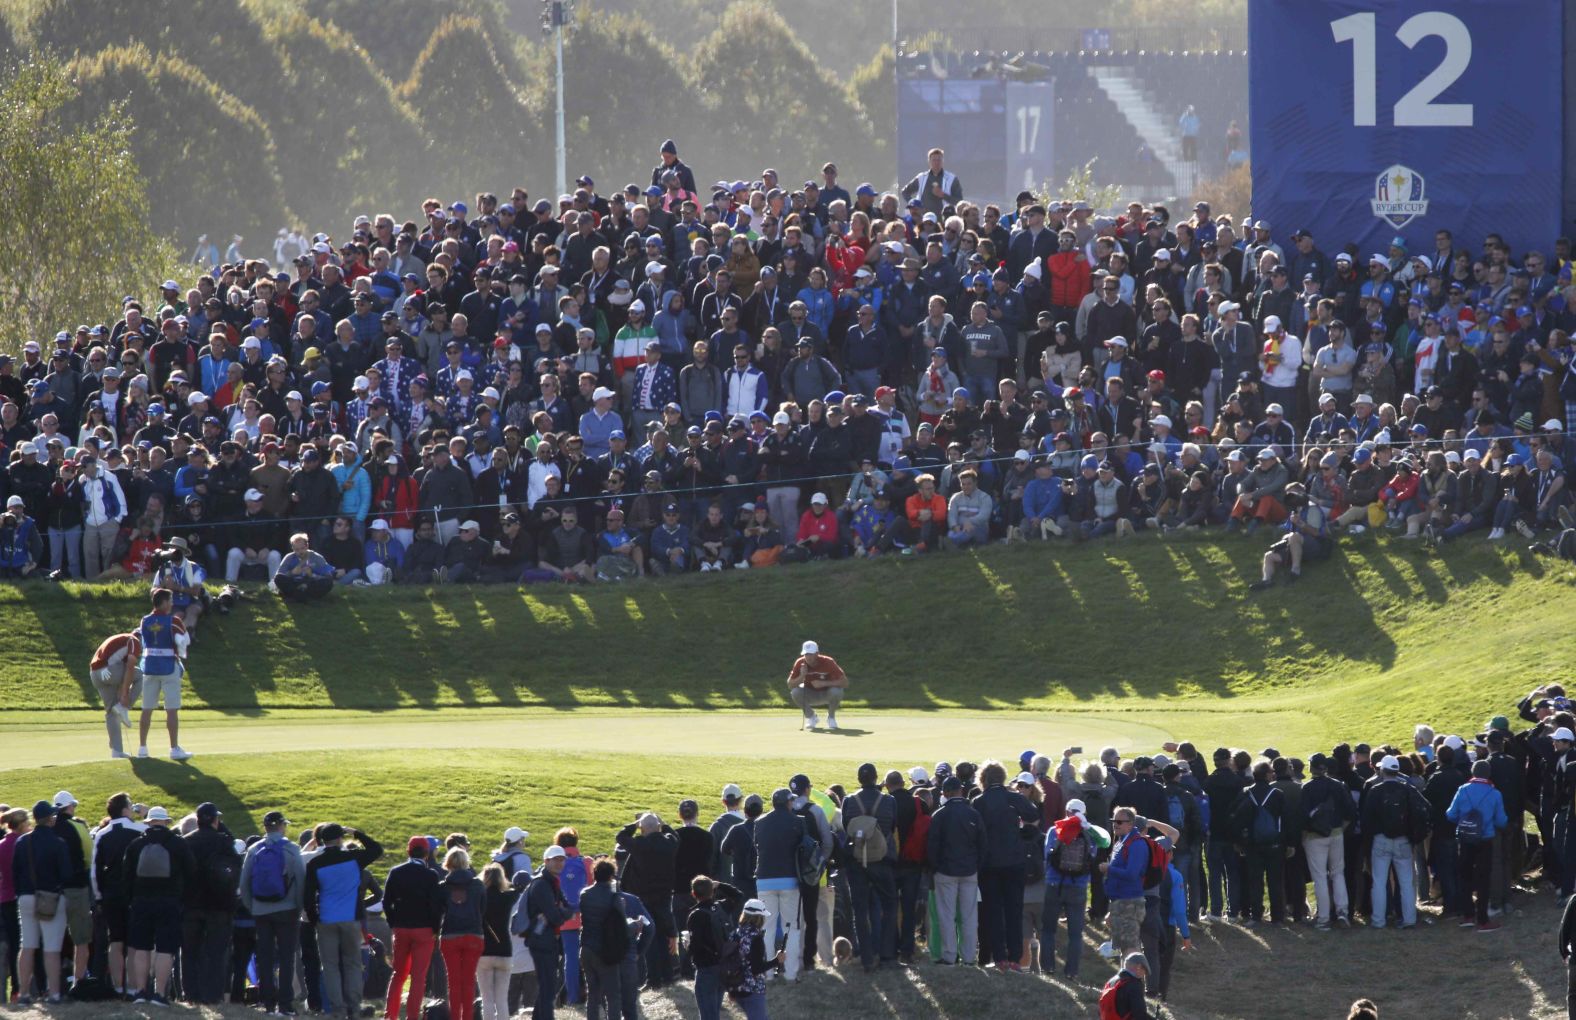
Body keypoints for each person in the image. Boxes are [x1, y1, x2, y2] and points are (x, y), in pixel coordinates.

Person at [303, 823, 385, 1020]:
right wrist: (354, 832)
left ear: (322, 840)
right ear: (340, 839)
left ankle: (337, 1010)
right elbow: (376, 849)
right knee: (353, 965)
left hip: (326, 920)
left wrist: (315, 920)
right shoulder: (354, 859)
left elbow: (307, 897)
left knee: (330, 966)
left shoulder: (315, 864)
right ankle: (354, 1009)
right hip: (351, 919)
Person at [124, 805, 195, 1007]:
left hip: (140, 902)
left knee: (141, 947)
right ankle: (160, 993)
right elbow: (191, 873)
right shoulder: (178, 844)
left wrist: (132, 899)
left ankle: (139, 991)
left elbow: (126, 876)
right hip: (169, 902)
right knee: (165, 948)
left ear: (148, 822)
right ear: (166, 821)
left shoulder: (136, 845)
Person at [973, 760, 1040, 970]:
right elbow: (1033, 814)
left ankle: (1000, 957)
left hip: (989, 863)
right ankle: (1015, 958)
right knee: (1014, 909)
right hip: (1014, 861)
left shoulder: (978, 801)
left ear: (983, 779)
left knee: (993, 910)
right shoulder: (1014, 798)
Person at [240, 809, 306, 1016]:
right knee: (287, 958)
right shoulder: (292, 849)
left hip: (261, 910)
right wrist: (298, 908)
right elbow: (301, 880)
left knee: (265, 957)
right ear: (281, 826)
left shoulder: (253, 849)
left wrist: (253, 907)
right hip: (287, 910)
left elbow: (245, 882)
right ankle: (285, 1004)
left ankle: (268, 1003)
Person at [840, 762, 897, 972]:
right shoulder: (888, 801)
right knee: (890, 906)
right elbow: (892, 826)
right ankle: (887, 956)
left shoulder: (849, 801)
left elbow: (847, 827)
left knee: (860, 911)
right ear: (875, 779)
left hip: (857, 861)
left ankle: (865, 958)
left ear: (859, 780)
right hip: (882, 860)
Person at [1042, 797, 1107, 981]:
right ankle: (1072, 972)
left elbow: (1047, 856)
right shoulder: (1089, 834)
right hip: (1078, 887)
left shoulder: (1055, 830)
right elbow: (1095, 853)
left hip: (1054, 884)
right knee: (1076, 933)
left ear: (1067, 812)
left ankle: (1048, 968)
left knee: (1048, 929)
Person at [14, 800, 69, 1005]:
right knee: (52, 949)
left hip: (26, 896)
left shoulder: (22, 842)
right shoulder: (58, 843)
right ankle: (54, 994)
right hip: (51, 897)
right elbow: (66, 874)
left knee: (27, 945)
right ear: (50, 819)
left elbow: (15, 873)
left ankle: (24, 994)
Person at [925, 774, 984, 967]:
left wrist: (934, 869)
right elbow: (982, 845)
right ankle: (968, 958)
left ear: (945, 793)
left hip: (945, 872)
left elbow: (932, 847)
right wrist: (976, 867)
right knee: (968, 916)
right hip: (969, 871)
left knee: (946, 915)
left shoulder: (940, 815)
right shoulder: (973, 814)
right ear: (961, 791)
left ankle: (950, 956)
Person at [1445, 759, 1509, 932]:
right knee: (1483, 879)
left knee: (1464, 876)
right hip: (1485, 839)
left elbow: (1451, 814)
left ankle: (1467, 915)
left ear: (1473, 772)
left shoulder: (1462, 790)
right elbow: (1501, 820)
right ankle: (1483, 919)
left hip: (1465, 839)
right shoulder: (1495, 794)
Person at [383, 836, 442, 1020]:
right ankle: (412, 1016)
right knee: (418, 977)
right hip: (424, 930)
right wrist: (435, 929)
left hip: (401, 928)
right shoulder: (431, 875)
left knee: (398, 974)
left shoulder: (396, 872)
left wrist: (393, 923)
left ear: (408, 851)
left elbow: (386, 902)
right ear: (427, 853)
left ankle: (390, 1015)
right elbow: (435, 906)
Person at [751, 789, 806, 982]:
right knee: (791, 927)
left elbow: (757, 845)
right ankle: (790, 973)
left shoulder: (760, 823)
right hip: (790, 879)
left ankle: (767, 972)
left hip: (765, 880)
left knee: (767, 928)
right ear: (789, 803)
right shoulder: (798, 822)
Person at [136, 587, 192, 761]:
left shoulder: (144, 620)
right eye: (171, 600)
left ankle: (142, 748)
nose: (172, 603)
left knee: (146, 709)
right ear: (165, 602)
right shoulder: (173, 621)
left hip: (149, 667)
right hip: (169, 667)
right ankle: (174, 748)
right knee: (171, 710)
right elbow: (184, 641)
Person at [517, 845, 571, 1020]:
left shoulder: (552, 882)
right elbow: (557, 916)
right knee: (548, 987)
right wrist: (558, 912)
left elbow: (567, 910)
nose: (559, 863)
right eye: (555, 860)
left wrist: (558, 912)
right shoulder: (542, 884)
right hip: (542, 941)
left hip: (546, 940)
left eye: (562, 859)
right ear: (546, 861)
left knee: (549, 986)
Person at [438, 848, 486, 1020]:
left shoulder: (443, 887)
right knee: (469, 980)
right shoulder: (478, 885)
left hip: (450, 935)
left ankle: (455, 1017)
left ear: (448, 864)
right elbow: (483, 910)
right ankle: (468, 1017)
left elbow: (439, 911)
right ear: (466, 863)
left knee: (454, 981)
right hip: (474, 934)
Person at [577, 858, 627, 1020]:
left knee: (594, 994)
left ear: (594, 874)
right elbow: (621, 926)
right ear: (611, 875)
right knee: (613, 995)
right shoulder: (614, 898)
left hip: (586, 948)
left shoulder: (585, 894)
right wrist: (636, 925)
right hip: (605, 951)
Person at [88, 629, 139, 759]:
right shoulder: (134, 640)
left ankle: (117, 751)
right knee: (140, 676)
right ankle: (124, 707)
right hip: (108, 672)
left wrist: (122, 688)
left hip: (95, 674)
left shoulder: (121, 640)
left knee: (112, 711)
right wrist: (125, 695)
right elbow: (130, 666)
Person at [786, 639, 848, 731]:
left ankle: (831, 718)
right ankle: (811, 717)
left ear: (817, 653)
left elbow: (845, 683)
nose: (808, 657)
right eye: (806, 654)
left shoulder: (828, 662)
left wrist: (824, 683)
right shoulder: (800, 663)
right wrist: (802, 675)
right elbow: (790, 685)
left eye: (810, 654)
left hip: (827, 693)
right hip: (810, 694)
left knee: (837, 691)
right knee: (795, 692)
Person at [729, 899, 776, 1020]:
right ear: (759, 918)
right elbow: (756, 969)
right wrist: (777, 961)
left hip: (736, 987)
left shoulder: (734, 934)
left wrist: (732, 991)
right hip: (753, 989)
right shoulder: (756, 938)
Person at [273, 531, 335, 601]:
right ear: (293, 549)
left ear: (307, 546)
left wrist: (312, 575)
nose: (300, 552)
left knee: (328, 582)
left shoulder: (317, 558)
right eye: (297, 549)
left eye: (302, 548)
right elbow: (279, 575)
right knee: (278, 578)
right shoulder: (289, 557)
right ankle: (300, 596)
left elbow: (328, 576)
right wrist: (292, 573)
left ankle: (298, 596)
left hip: (310, 584)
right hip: (294, 583)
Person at [1100, 952, 1151, 1020]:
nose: (1143, 976)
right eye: (1144, 972)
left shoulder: (1112, 981)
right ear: (1138, 967)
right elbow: (1139, 1013)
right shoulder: (1134, 985)